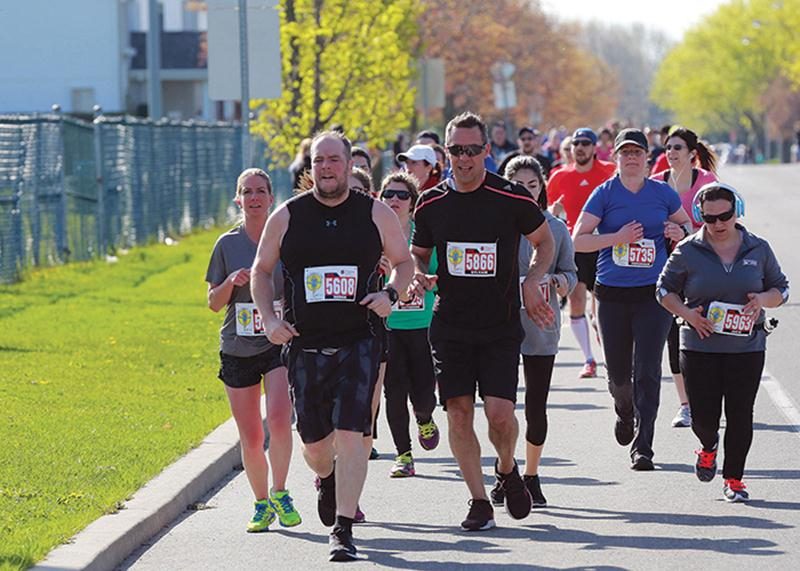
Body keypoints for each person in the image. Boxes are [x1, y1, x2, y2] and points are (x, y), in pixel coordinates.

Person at [251, 131, 414, 561]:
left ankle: (343, 529)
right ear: (311, 167)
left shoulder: (375, 213)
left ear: (348, 165)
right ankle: (327, 477)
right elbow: (261, 271)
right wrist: (269, 318)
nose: (326, 167)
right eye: (319, 160)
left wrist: (391, 295)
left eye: (334, 160)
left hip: (359, 339)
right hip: (305, 344)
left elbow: (404, 262)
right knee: (318, 447)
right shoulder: (288, 216)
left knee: (351, 434)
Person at [411, 111, 555, 531]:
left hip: (499, 324)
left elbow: (543, 242)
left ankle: (507, 469)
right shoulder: (431, 201)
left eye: (473, 150)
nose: (465, 158)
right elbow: (419, 253)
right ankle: (478, 501)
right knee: (458, 413)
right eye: (456, 150)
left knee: (499, 415)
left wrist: (533, 279)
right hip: (451, 323)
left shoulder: (510, 197)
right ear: (446, 151)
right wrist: (419, 274)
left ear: (487, 152)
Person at [657, 182, 789, 501]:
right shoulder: (688, 249)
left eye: (725, 216)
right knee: (703, 417)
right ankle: (708, 446)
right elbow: (663, 291)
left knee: (741, 413)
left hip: (747, 347)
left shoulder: (758, 248)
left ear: (737, 212)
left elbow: (781, 290)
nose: (717, 224)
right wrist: (688, 315)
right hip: (699, 346)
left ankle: (734, 478)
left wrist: (762, 299)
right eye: (709, 218)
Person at [573, 128, 692, 471]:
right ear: (616, 158)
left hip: (653, 294)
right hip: (611, 294)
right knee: (620, 377)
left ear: (646, 157)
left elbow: (689, 231)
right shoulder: (604, 194)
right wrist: (616, 238)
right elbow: (578, 239)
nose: (631, 158)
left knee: (648, 371)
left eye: (637, 152)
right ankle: (624, 411)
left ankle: (644, 447)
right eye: (625, 153)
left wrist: (677, 232)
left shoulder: (662, 193)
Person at [205, 168, 301, 532]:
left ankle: (280, 491)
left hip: (276, 343)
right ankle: (261, 503)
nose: (255, 197)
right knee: (251, 435)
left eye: (261, 191)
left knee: (278, 419)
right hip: (237, 347)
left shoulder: (285, 240)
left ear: (271, 198)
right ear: (238, 199)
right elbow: (213, 303)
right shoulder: (227, 244)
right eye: (248, 192)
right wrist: (231, 282)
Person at [490, 155, 577, 508]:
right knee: (501, 407)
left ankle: (532, 474)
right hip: (502, 326)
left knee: (535, 405)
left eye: (532, 185)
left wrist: (554, 281)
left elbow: (571, 274)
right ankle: (504, 470)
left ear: (542, 187)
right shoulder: (495, 225)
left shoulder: (554, 228)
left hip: (542, 325)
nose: (526, 191)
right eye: (518, 185)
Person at [650, 126, 719, 428]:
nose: (671, 153)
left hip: (703, 268)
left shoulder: (707, 183)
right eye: (667, 148)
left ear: (692, 153)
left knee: (706, 332)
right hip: (666, 270)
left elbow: (720, 227)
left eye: (677, 148)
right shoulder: (655, 184)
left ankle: (712, 396)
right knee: (673, 338)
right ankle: (686, 405)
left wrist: (686, 231)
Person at [379, 171, 440, 478]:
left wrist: (429, 283)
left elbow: (441, 277)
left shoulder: (423, 234)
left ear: (413, 203)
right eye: (388, 194)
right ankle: (403, 455)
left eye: (402, 195)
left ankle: (425, 417)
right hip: (388, 326)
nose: (394, 200)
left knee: (425, 392)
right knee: (394, 391)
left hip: (422, 325)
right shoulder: (372, 235)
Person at [547, 128, 616, 378]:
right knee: (576, 301)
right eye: (576, 143)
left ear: (594, 147)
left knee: (603, 307)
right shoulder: (558, 176)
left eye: (586, 143)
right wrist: (555, 212)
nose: (580, 147)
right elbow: (549, 213)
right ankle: (589, 359)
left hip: (603, 245)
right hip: (574, 246)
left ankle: (610, 357)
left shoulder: (609, 172)